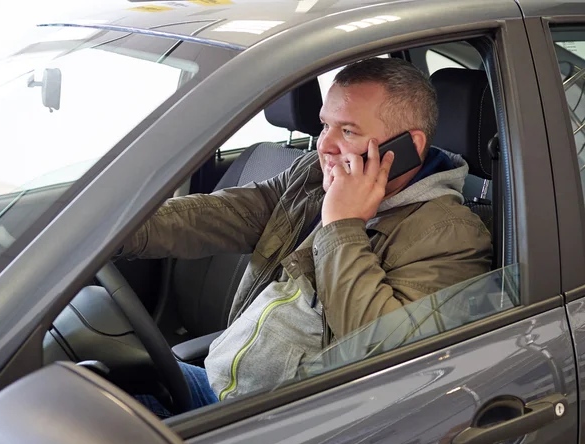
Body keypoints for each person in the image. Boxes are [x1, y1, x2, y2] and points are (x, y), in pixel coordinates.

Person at [121, 57, 492, 412]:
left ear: (410, 147)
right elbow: (221, 214)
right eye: (324, 125)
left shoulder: (451, 236)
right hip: (225, 386)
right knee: (100, 380)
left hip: (285, 423)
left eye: (347, 131)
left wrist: (340, 225)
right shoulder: (313, 176)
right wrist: (118, 229)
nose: (324, 145)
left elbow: (379, 353)